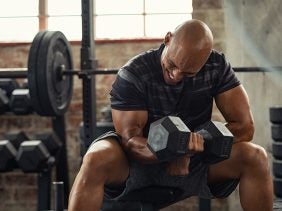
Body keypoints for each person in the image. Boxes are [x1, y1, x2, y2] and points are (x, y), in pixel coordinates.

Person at [68, 19, 273, 211]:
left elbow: (245, 127)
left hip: (196, 163)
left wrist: (192, 149)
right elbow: (130, 141)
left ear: (206, 59)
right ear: (167, 39)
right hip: (139, 163)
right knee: (95, 157)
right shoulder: (134, 72)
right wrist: (174, 151)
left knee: (255, 156)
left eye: (188, 73)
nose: (175, 76)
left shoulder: (216, 66)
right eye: (173, 65)